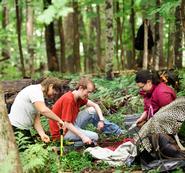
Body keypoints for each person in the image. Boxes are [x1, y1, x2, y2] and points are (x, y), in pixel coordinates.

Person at [49, 77, 123, 145]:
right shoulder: (69, 99)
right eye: (88, 92)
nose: (88, 95)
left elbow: (95, 106)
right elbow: (67, 124)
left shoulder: (79, 97)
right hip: (62, 132)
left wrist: (101, 121)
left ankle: (117, 132)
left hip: (71, 124)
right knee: (95, 136)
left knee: (92, 110)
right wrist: (83, 136)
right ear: (81, 88)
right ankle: (71, 145)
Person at [8, 77, 64, 144]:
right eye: (54, 93)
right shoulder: (35, 91)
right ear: (51, 86)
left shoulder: (38, 96)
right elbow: (43, 110)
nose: (52, 96)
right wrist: (59, 120)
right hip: (15, 127)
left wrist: (42, 134)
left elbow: (36, 120)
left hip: (23, 129)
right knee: (29, 152)